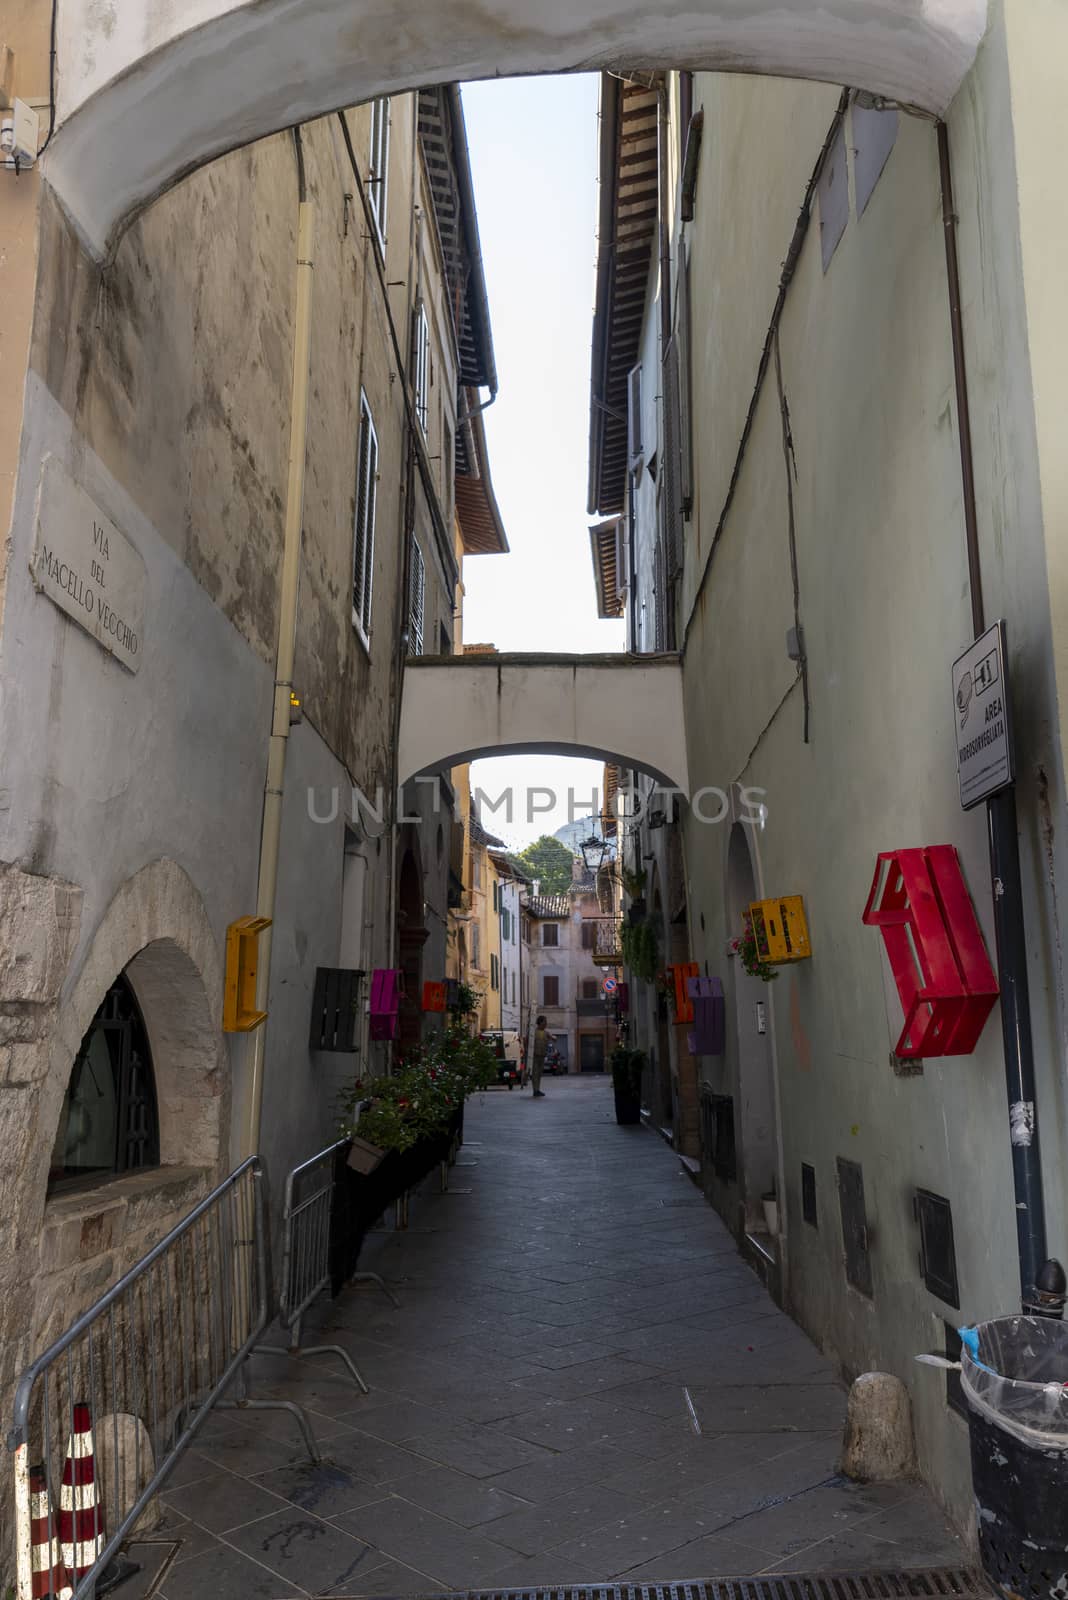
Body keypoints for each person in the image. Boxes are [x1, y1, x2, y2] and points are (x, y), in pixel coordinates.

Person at [531, 1016, 549, 1097]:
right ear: (540, 1022)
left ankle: (537, 1089)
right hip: (535, 1056)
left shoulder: (546, 1033)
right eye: (545, 1022)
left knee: (539, 1074)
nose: (546, 1023)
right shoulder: (534, 1033)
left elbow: (552, 1038)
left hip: (542, 1055)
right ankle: (535, 1090)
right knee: (535, 1073)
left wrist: (554, 1038)